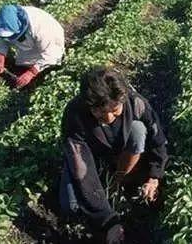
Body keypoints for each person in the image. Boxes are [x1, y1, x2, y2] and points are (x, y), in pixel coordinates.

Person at [60, 66, 169, 244]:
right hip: (91, 158)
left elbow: (158, 140)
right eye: (100, 112)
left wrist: (154, 176)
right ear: (88, 105)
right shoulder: (74, 115)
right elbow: (82, 169)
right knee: (71, 206)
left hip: (121, 153)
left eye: (115, 110)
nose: (109, 117)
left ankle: (121, 177)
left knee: (138, 129)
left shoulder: (136, 103)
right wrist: (108, 221)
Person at [0, 4, 65, 89]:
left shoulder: (41, 28)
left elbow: (50, 54)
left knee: (49, 63)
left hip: (52, 43)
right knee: (23, 64)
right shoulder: (3, 23)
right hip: (29, 42)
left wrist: (31, 73)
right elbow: (2, 41)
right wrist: (0, 61)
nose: (8, 38)